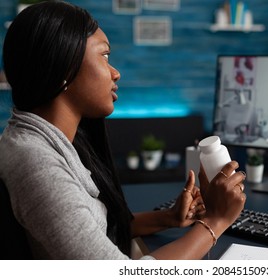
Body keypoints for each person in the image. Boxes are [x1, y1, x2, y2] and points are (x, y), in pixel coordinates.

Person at [0, 1, 246, 260]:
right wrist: (216, 221)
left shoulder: (39, 143)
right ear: (64, 66)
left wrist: (168, 217)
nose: (115, 73)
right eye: (104, 56)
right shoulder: (38, 165)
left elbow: (91, 231)